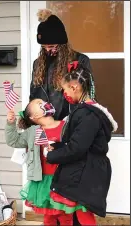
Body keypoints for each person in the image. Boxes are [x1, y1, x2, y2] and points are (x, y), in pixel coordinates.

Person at [45, 61, 118, 225]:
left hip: (85, 173)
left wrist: (52, 155)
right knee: (78, 214)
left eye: (64, 89)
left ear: (74, 88)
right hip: (83, 170)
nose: (64, 94)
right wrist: (58, 147)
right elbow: (78, 141)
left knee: (82, 215)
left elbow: (77, 148)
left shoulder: (88, 115)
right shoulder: (84, 111)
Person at [5, 99, 88, 225]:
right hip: (44, 181)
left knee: (66, 216)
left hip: (64, 180)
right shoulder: (32, 132)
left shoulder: (66, 126)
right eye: (39, 104)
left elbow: (75, 148)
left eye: (43, 101)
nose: (44, 103)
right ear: (34, 116)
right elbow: (13, 141)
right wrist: (10, 123)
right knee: (49, 217)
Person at [30, 9, 95, 120]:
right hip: (43, 123)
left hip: (70, 124)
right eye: (43, 47)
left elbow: (87, 96)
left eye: (51, 46)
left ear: (62, 44)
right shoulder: (37, 63)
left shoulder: (80, 60)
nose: (47, 50)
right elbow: (33, 94)